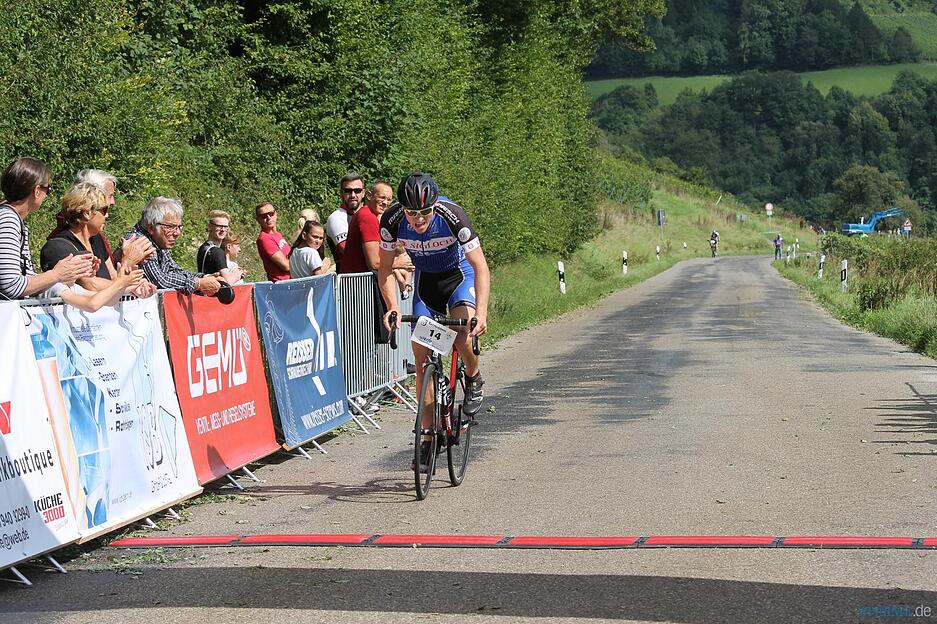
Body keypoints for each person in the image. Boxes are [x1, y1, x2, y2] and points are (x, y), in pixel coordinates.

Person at [378, 172, 490, 472]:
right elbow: (385, 269)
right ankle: (427, 438)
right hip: (427, 284)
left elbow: (480, 267)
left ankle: (474, 376)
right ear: (403, 208)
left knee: (461, 331)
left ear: (435, 205)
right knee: (420, 351)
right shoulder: (391, 221)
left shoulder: (452, 215)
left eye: (424, 212)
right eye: (412, 213)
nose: (418, 220)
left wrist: (482, 310)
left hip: (459, 276)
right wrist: (392, 307)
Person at [0, 157, 143, 311]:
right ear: (36, 191)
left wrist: (67, 277)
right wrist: (56, 275)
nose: (47, 195)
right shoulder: (8, 220)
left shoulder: (12, 219)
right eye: (48, 189)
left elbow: (24, 278)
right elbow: (11, 286)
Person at [40, 183, 156, 298]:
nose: (107, 216)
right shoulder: (58, 247)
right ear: (87, 213)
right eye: (104, 210)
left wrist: (135, 283)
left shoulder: (96, 239)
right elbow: (91, 285)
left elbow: (114, 277)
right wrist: (128, 265)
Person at [121, 197, 224, 294]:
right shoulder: (139, 242)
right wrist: (197, 283)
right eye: (171, 227)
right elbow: (160, 281)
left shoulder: (159, 240)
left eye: (179, 227)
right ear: (151, 228)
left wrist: (204, 277)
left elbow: (173, 270)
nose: (177, 233)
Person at [340, 180, 414, 294]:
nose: (385, 202)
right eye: (382, 197)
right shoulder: (367, 217)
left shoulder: (367, 215)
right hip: (359, 289)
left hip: (359, 286)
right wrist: (398, 262)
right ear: (369, 195)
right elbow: (374, 263)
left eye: (388, 199)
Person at [325, 172, 365, 272]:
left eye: (357, 191)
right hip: (348, 281)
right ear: (341, 193)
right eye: (348, 191)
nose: (352, 195)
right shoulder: (336, 218)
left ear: (363, 193)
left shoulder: (368, 215)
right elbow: (348, 252)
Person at [255, 201, 291, 281]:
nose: (268, 217)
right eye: (264, 216)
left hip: (291, 281)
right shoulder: (264, 239)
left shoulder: (277, 235)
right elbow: (286, 266)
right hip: (282, 285)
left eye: (271, 213)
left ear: (276, 214)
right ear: (258, 220)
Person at [197, 210, 231, 274]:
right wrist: (238, 272)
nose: (223, 230)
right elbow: (228, 280)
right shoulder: (217, 251)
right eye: (219, 226)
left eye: (225, 227)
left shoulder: (204, 247)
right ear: (210, 227)